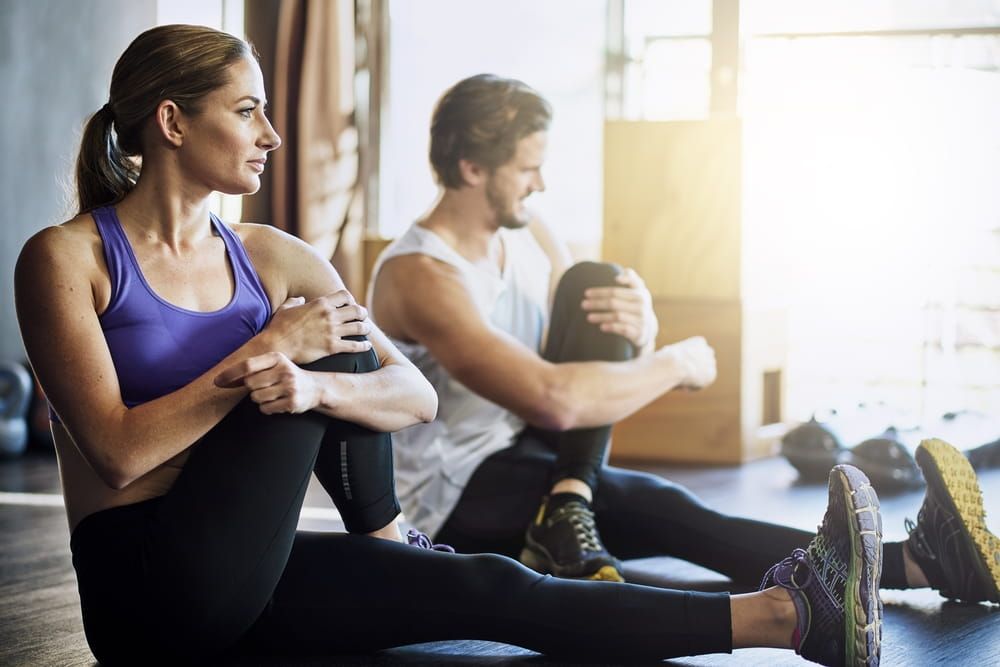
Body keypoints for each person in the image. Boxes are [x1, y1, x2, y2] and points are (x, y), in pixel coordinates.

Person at [15, 24, 893, 667]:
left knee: (490, 588)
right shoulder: (68, 257)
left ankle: (790, 615)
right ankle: (393, 537)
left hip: (249, 569)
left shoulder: (273, 255)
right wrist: (271, 356)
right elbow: (119, 452)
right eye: (247, 112)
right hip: (147, 592)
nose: (270, 136)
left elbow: (411, 397)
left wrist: (314, 388)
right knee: (321, 342)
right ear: (172, 121)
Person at [367, 74, 1000, 603]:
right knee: (667, 511)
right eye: (528, 169)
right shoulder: (420, 274)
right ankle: (918, 564)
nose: (541, 184)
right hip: (454, 497)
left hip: (535, 454)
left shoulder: (529, 234)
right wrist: (674, 362)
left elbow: (586, 355)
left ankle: (570, 500)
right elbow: (552, 398)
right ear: (473, 167)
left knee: (599, 284)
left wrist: (640, 331)